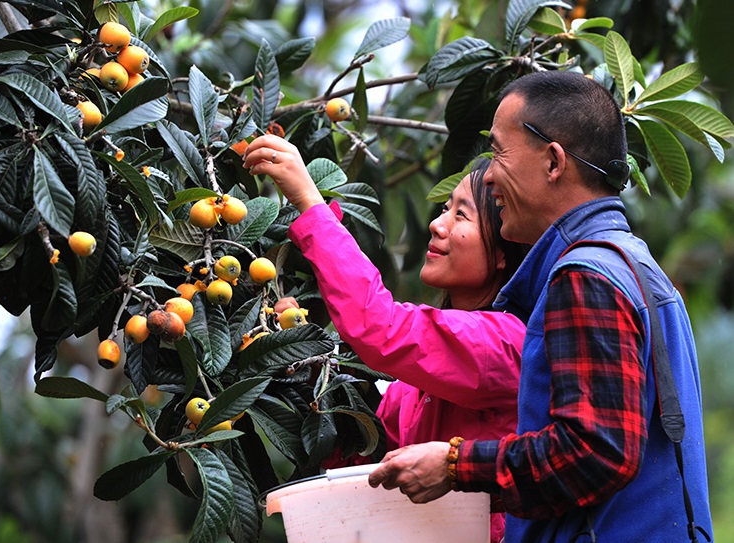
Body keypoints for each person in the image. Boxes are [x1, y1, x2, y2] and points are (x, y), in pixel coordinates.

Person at [367, 70, 714, 542]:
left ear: (553, 162)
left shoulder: (585, 276)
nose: (487, 174)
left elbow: (597, 452)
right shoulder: (633, 263)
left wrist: (455, 465)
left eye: (498, 152)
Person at [243, 135, 529, 543]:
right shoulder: (414, 387)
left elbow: (378, 326)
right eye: (445, 208)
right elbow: (362, 451)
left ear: (504, 252)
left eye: (461, 216)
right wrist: (292, 356)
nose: (437, 223)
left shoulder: (505, 342)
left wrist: (311, 204)